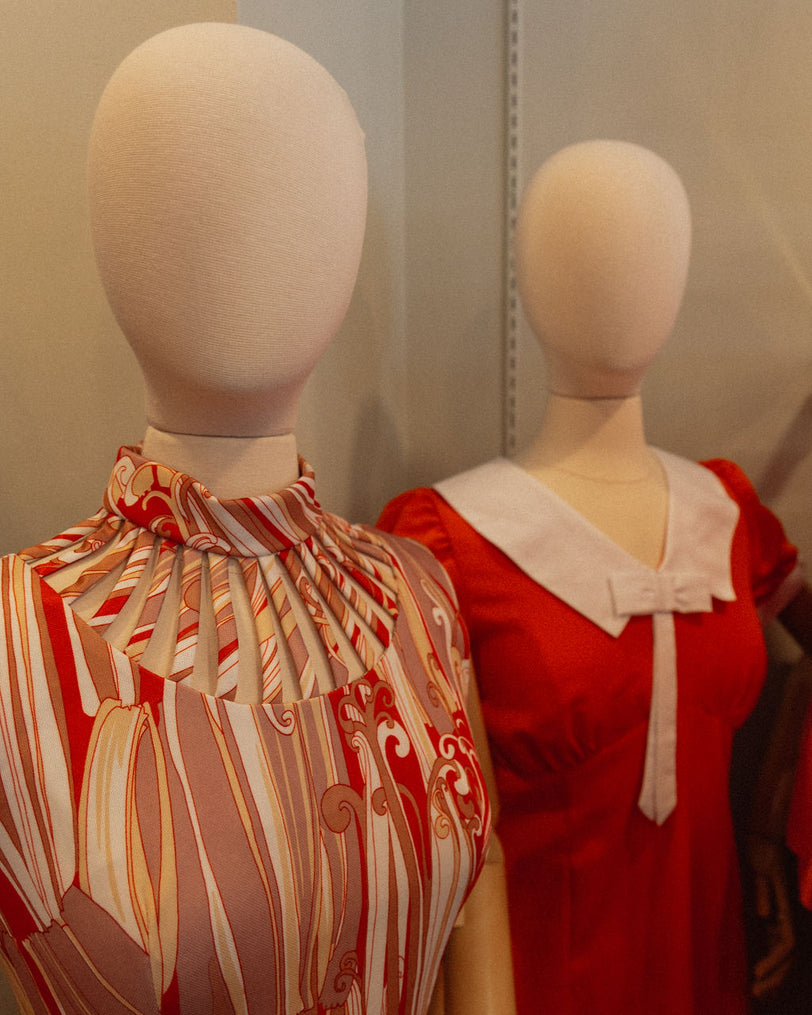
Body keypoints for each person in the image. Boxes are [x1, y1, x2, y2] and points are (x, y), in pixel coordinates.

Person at [0, 23, 513, 1015]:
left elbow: (477, 870)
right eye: (180, 201)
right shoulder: (19, 639)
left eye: (295, 199)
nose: (245, 248)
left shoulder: (416, 595)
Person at [378, 139, 812, 1014]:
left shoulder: (726, 514)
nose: (626, 282)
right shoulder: (443, 543)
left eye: (657, 251)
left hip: (709, 973)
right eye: (585, 252)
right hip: (536, 982)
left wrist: (771, 823)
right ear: (529, 283)